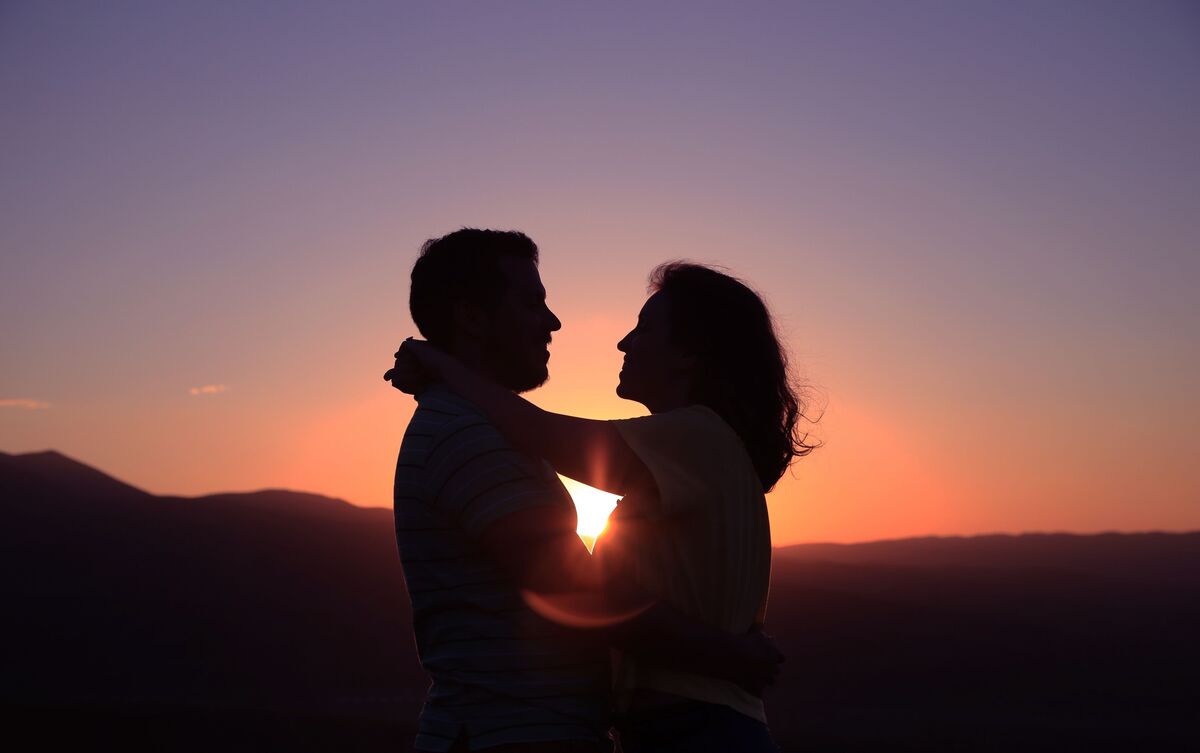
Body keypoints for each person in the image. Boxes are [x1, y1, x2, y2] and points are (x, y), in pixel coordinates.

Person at [392, 260, 815, 753]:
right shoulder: (692, 449)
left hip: (699, 730)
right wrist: (725, 653)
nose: (624, 343)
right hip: (682, 728)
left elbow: (551, 435)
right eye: (533, 303)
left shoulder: (699, 437)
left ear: (690, 354)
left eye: (644, 328)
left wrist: (445, 369)